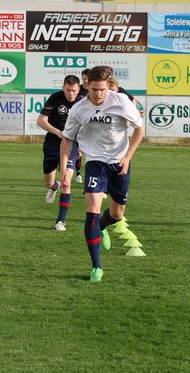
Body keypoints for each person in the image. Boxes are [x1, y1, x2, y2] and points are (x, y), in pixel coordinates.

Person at [60, 66, 145, 282]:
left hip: (119, 163)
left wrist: (127, 157)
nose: (98, 94)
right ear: (86, 85)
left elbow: (139, 128)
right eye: (94, 89)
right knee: (92, 210)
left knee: (117, 214)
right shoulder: (79, 109)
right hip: (95, 162)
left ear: (108, 86)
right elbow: (67, 139)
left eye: (102, 90)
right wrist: (65, 170)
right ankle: (96, 267)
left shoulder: (121, 102)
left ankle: (102, 227)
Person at [36, 75, 84, 231]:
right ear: (63, 87)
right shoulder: (55, 98)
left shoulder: (83, 101)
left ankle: (60, 221)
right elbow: (41, 121)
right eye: (68, 90)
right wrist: (58, 132)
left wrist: (81, 146)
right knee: (49, 183)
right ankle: (53, 186)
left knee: (66, 182)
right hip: (52, 143)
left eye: (74, 90)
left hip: (71, 145)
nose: (71, 94)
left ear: (78, 89)